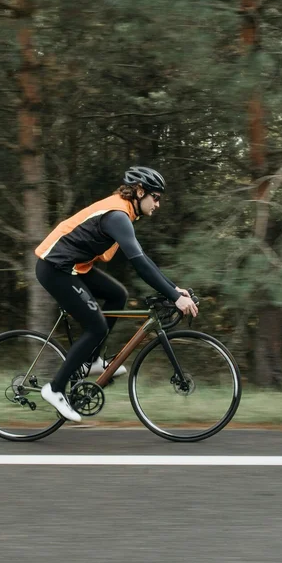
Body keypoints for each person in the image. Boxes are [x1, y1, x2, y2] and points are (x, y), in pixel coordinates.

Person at [33, 166, 198, 422]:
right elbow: (140, 263)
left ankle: (93, 360)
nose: (158, 204)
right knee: (96, 328)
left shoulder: (124, 212)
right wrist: (176, 298)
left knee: (117, 295)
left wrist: (173, 288)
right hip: (55, 268)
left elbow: (143, 258)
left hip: (74, 267)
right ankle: (54, 389)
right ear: (139, 191)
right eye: (155, 197)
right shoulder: (117, 215)